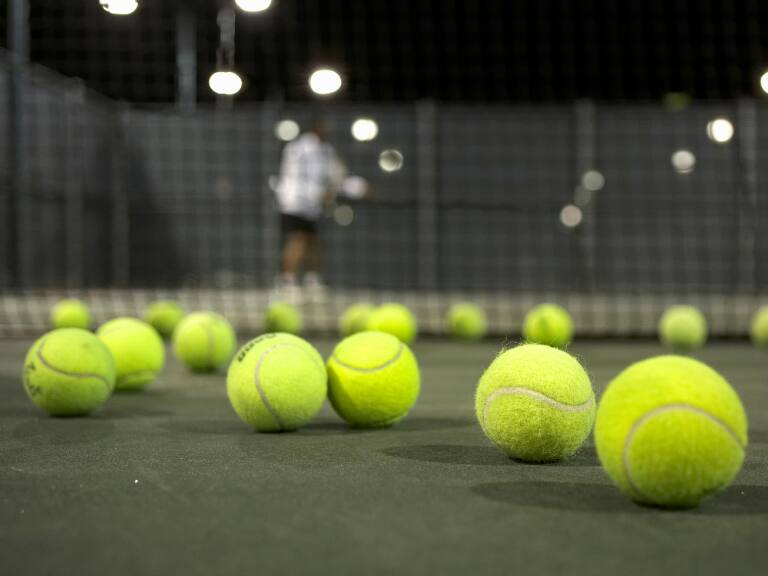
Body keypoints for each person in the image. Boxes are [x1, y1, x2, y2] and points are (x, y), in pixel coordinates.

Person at [273, 119, 371, 296]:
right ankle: (287, 280)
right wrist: (318, 194)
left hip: (312, 207)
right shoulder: (299, 149)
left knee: (312, 242)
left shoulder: (326, 151)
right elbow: (295, 178)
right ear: (316, 127)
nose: (327, 129)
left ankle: (311, 280)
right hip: (294, 204)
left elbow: (338, 178)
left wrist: (359, 188)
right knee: (300, 239)